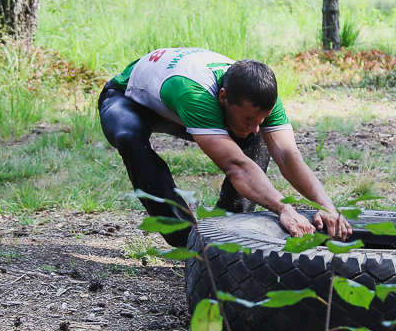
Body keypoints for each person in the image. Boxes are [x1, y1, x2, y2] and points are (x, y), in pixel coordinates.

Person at [98, 48, 351, 247]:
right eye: (249, 117)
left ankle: (230, 228)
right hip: (127, 100)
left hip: (184, 103)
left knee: (255, 134)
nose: (255, 126)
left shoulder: (261, 97)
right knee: (129, 137)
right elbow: (236, 167)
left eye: (262, 117)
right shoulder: (195, 95)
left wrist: (327, 206)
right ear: (223, 97)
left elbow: (288, 155)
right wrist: (284, 208)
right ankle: (187, 241)